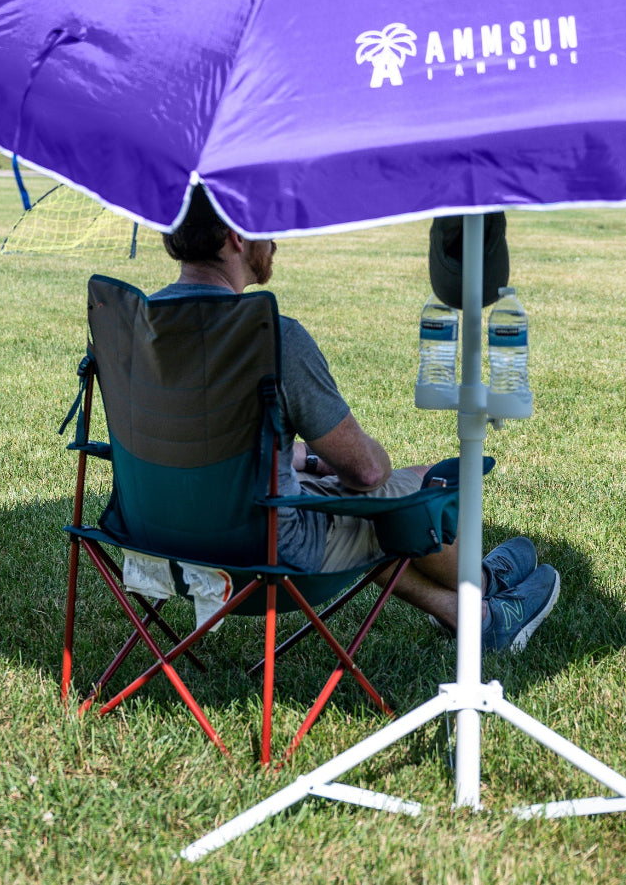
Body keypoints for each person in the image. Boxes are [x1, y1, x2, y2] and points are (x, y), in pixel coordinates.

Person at [153, 185, 560, 655]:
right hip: (267, 552)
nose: (276, 240)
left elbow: (186, 442)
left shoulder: (134, 325)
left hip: (161, 540)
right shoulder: (272, 337)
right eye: (266, 225)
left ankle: (465, 613)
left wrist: (301, 459)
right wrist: (379, 468)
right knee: (410, 491)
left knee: (365, 500)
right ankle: (485, 596)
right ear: (236, 238)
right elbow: (366, 470)